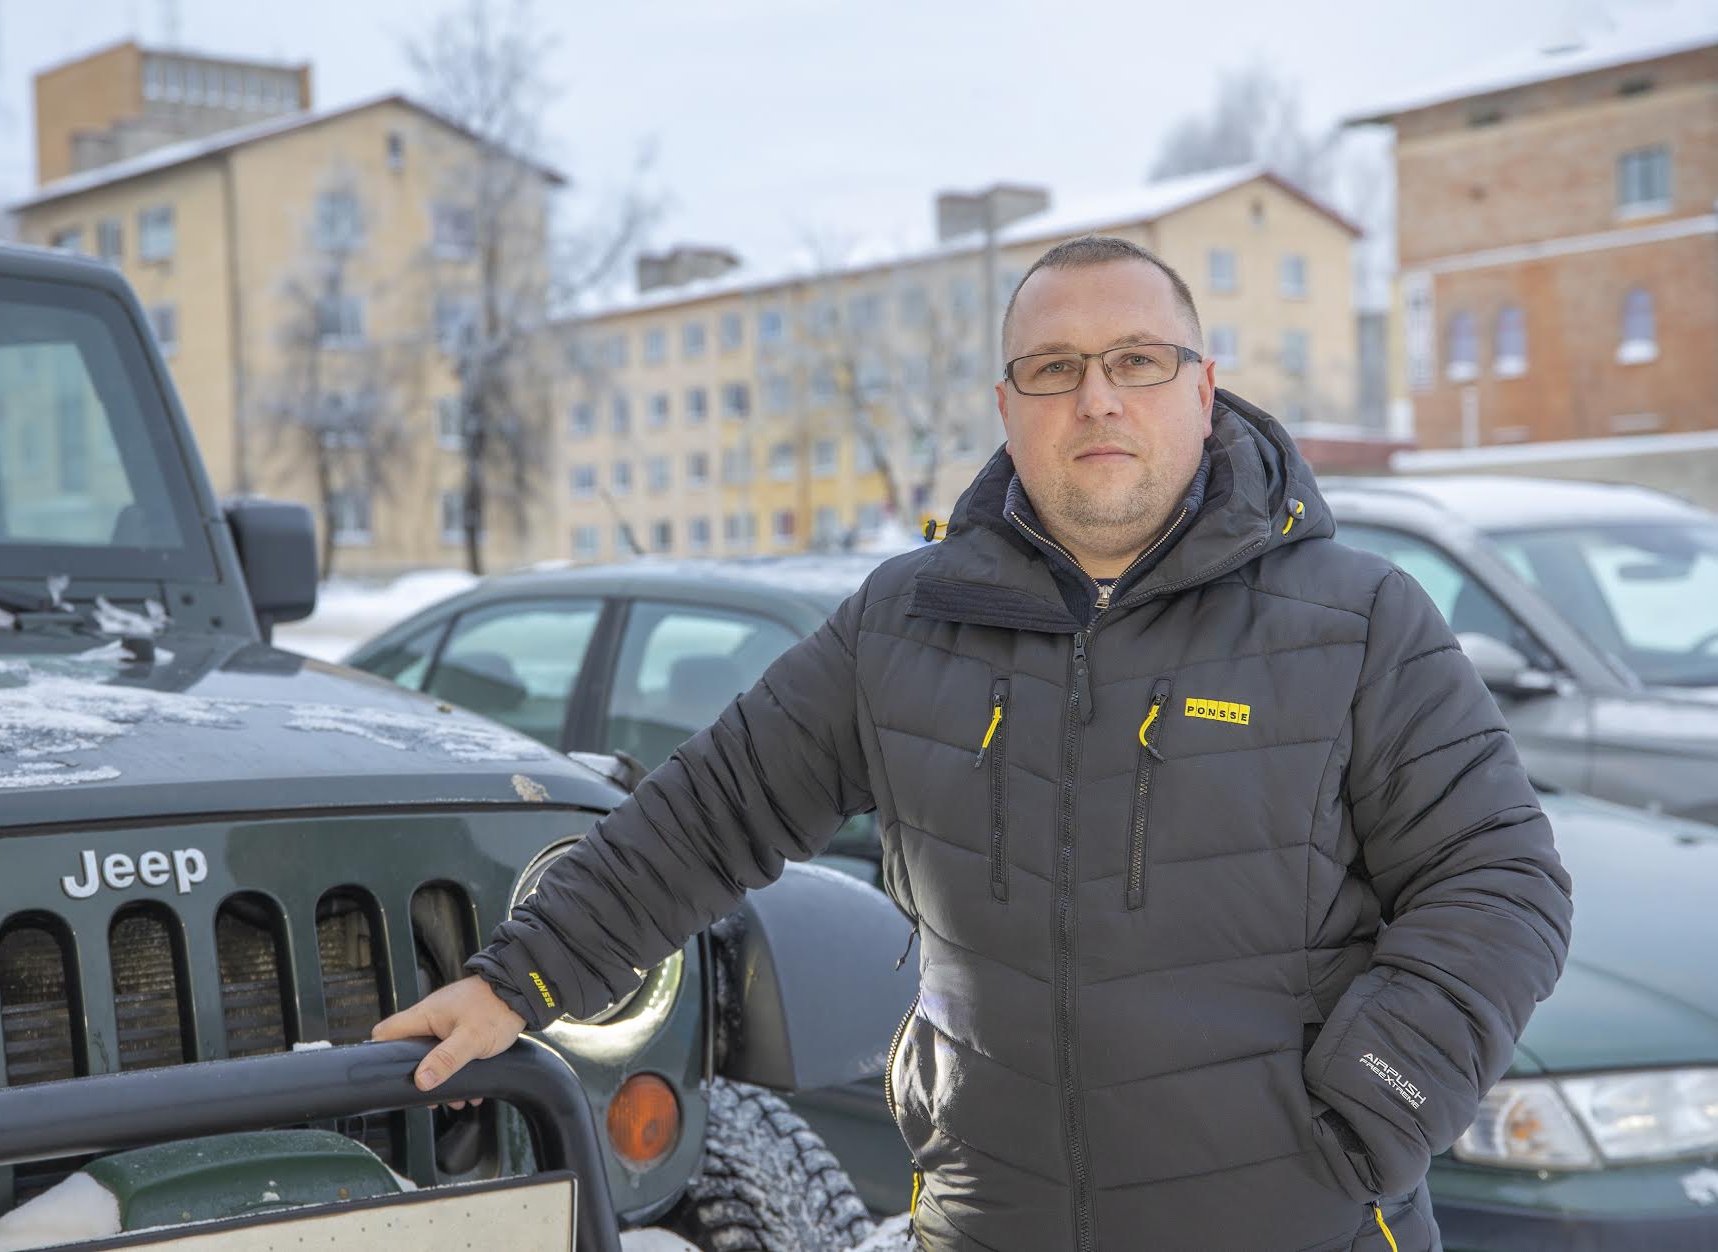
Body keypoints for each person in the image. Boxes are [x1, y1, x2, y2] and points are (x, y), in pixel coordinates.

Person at [374, 235, 1572, 1251]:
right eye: (1053, 368)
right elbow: (711, 807)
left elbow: (1500, 880)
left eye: (1135, 362)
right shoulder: (908, 620)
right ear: (1008, 408)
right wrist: (514, 979)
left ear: (1201, 393)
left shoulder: (1353, 620)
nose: (1095, 396)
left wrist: (1374, 1105)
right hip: (988, 1219)